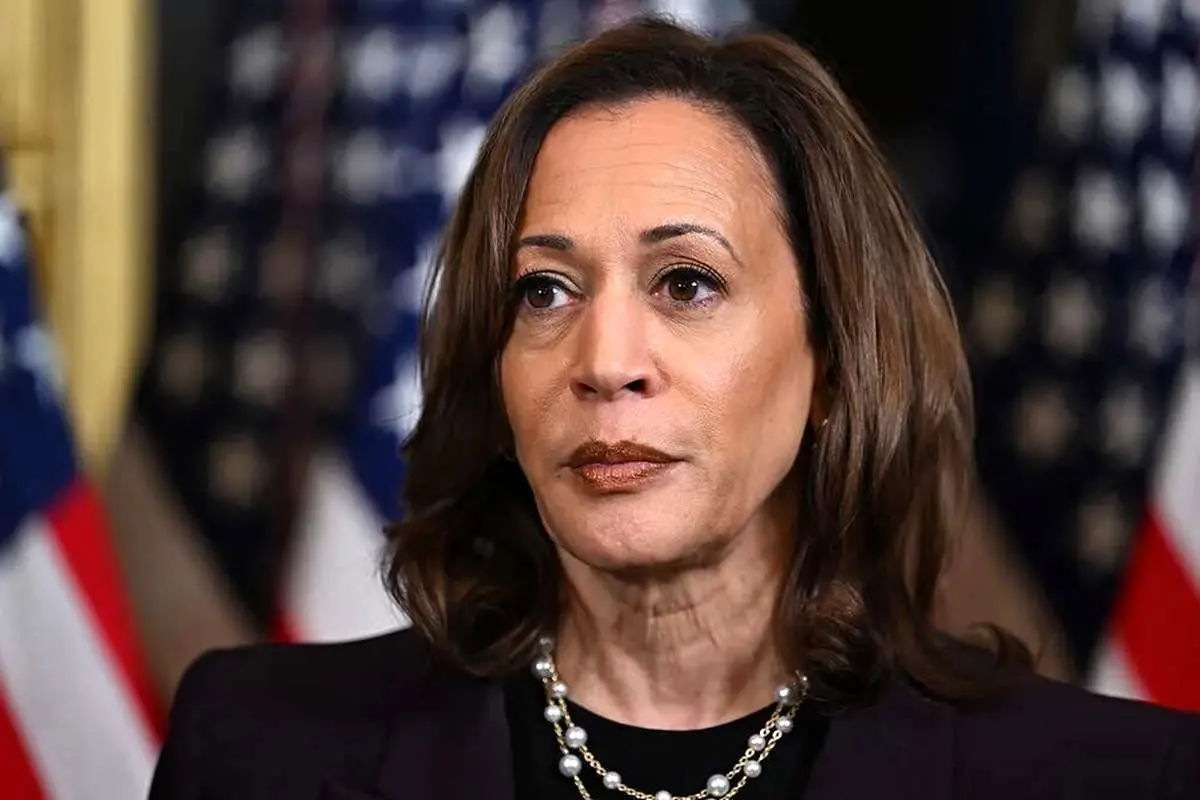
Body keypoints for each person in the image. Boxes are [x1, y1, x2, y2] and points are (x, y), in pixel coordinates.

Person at [147, 16, 1200, 800]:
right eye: (544, 292)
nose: (606, 363)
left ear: (836, 361)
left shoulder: (1111, 777)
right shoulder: (255, 748)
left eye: (686, 283)